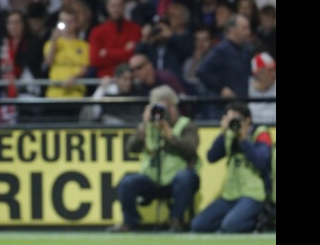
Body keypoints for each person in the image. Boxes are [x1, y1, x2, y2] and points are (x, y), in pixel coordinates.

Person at [109, 86, 200, 232]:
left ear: (172, 106)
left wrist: (169, 134)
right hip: (151, 179)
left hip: (177, 179)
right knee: (127, 182)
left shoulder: (187, 125)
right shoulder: (149, 126)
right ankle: (130, 221)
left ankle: (176, 220)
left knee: (186, 178)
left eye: (163, 106)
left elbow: (191, 149)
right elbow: (131, 148)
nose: (159, 112)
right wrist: (144, 126)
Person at [190, 102, 272, 233]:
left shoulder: (260, 133)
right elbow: (212, 157)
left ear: (248, 120)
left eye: (236, 119)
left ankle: (258, 221)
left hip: (253, 194)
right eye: (230, 119)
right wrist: (222, 133)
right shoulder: (229, 135)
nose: (234, 123)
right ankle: (229, 223)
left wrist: (244, 140)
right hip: (230, 194)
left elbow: (261, 161)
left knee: (230, 226)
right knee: (198, 225)